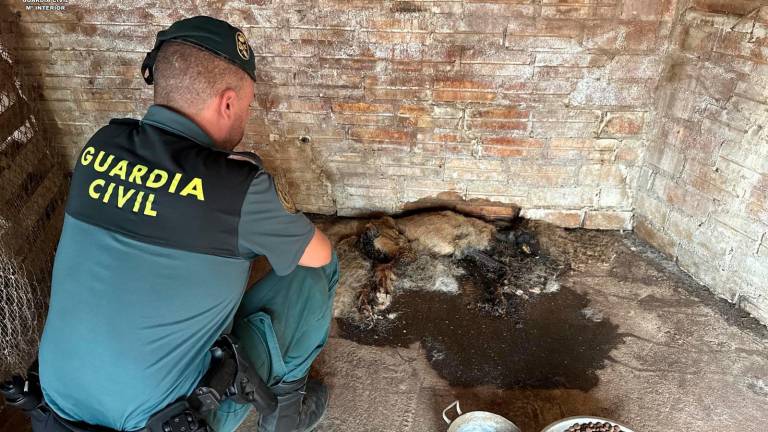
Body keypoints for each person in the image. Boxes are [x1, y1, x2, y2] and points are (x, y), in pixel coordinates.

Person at [35, 15, 338, 432]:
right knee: (316, 272)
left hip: (58, 412)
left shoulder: (99, 147)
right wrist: (245, 188)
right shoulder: (239, 190)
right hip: (171, 422)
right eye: (248, 107)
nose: (246, 117)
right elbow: (319, 251)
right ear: (227, 102)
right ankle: (286, 414)